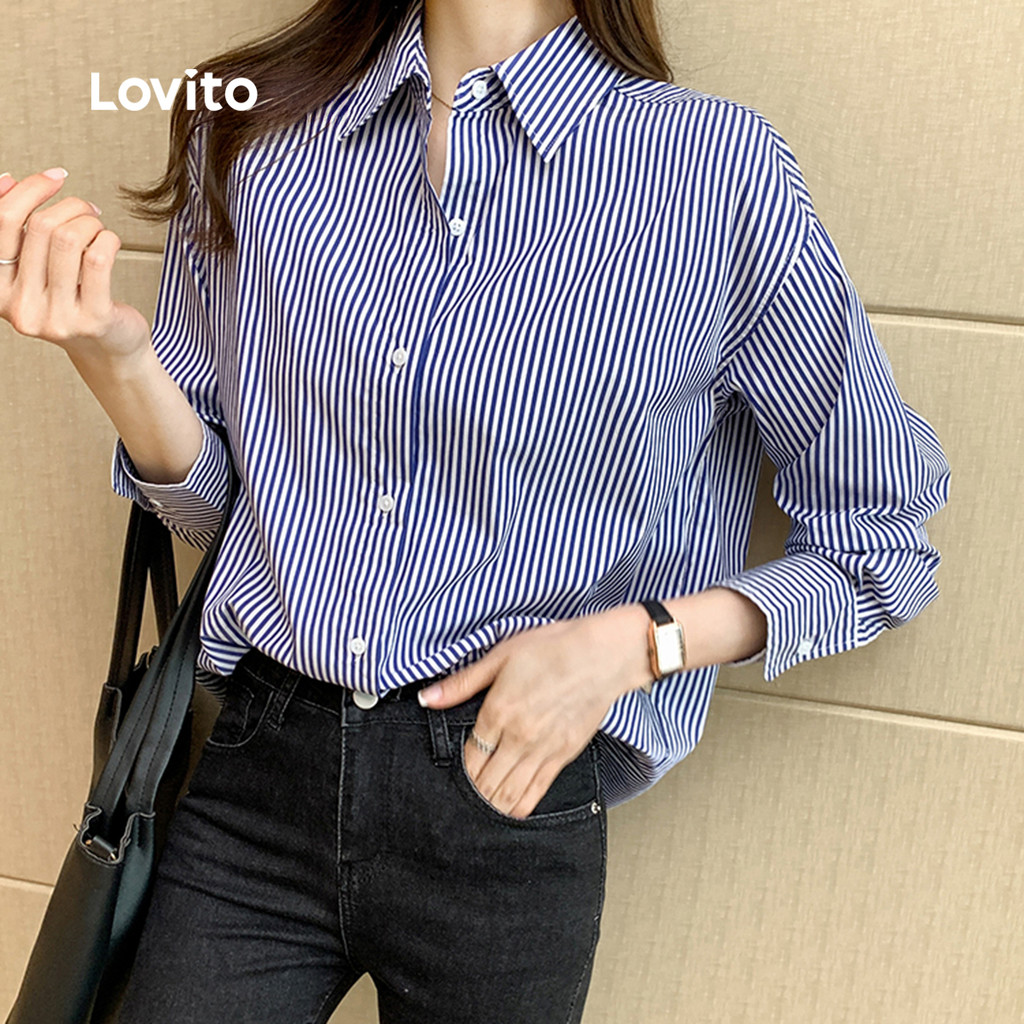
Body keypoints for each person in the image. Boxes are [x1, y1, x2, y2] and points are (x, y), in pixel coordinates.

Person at [0, 0, 951, 1020]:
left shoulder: (714, 173)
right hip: (255, 769)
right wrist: (113, 357)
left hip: (508, 792)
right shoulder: (251, 131)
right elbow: (232, 514)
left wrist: (638, 644)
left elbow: (881, 540)